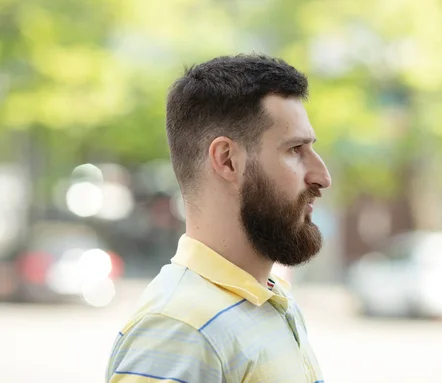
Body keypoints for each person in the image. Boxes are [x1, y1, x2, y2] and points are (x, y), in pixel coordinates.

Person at [105, 54, 331, 383]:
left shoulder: (271, 298)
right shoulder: (178, 329)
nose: (322, 176)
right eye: (295, 149)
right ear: (227, 160)